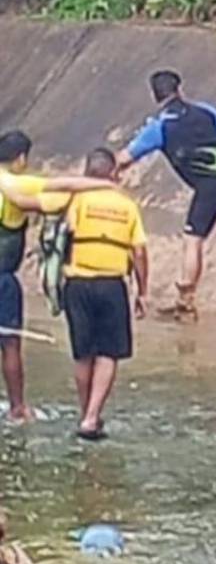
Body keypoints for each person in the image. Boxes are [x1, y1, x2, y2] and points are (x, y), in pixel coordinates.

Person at [0, 149, 148, 440]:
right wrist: (143, 291)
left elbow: (34, 204)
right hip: (112, 284)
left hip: (77, 285)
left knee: (83, 353)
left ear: (87, 171)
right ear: (113, 173)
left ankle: (84, 412)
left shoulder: (71, 199)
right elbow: (139, 252)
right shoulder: (127, 205)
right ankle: (91, 417)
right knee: (108, 353)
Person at [116, 70, 216, 319]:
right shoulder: (207, 111)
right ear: (180, 89)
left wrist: (108, 176)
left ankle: (186, 300)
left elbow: (124, 159)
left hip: (209, 186)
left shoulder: (159, 128)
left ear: (155, 96)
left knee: (192, 239)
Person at [0, 132, 114, 422]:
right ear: (21, 158)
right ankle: (17, 408)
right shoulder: (14, 182)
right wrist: (104, 184)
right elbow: (62, 185)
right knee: (9, 344)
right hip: (2, 278)